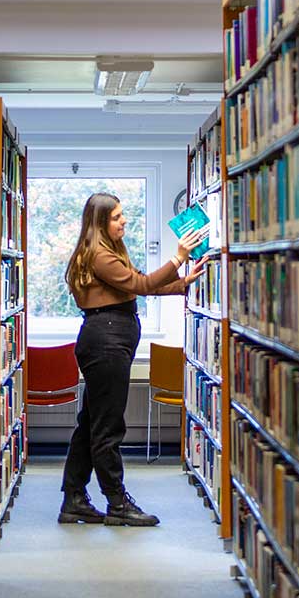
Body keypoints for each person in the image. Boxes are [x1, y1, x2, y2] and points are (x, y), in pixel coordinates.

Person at [59, 192, 209, 527]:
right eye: (116, 216)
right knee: (108, 426)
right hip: (106, 342)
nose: (123, 220)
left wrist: (183, 283)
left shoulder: (110, 253)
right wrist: (177, 259)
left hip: (108, 339)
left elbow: (141, 286)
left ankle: (74, 499)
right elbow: (141, 285)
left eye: (122, 214)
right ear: (100, 222)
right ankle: (117, 503)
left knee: (90, 424)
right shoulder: (99, 255)